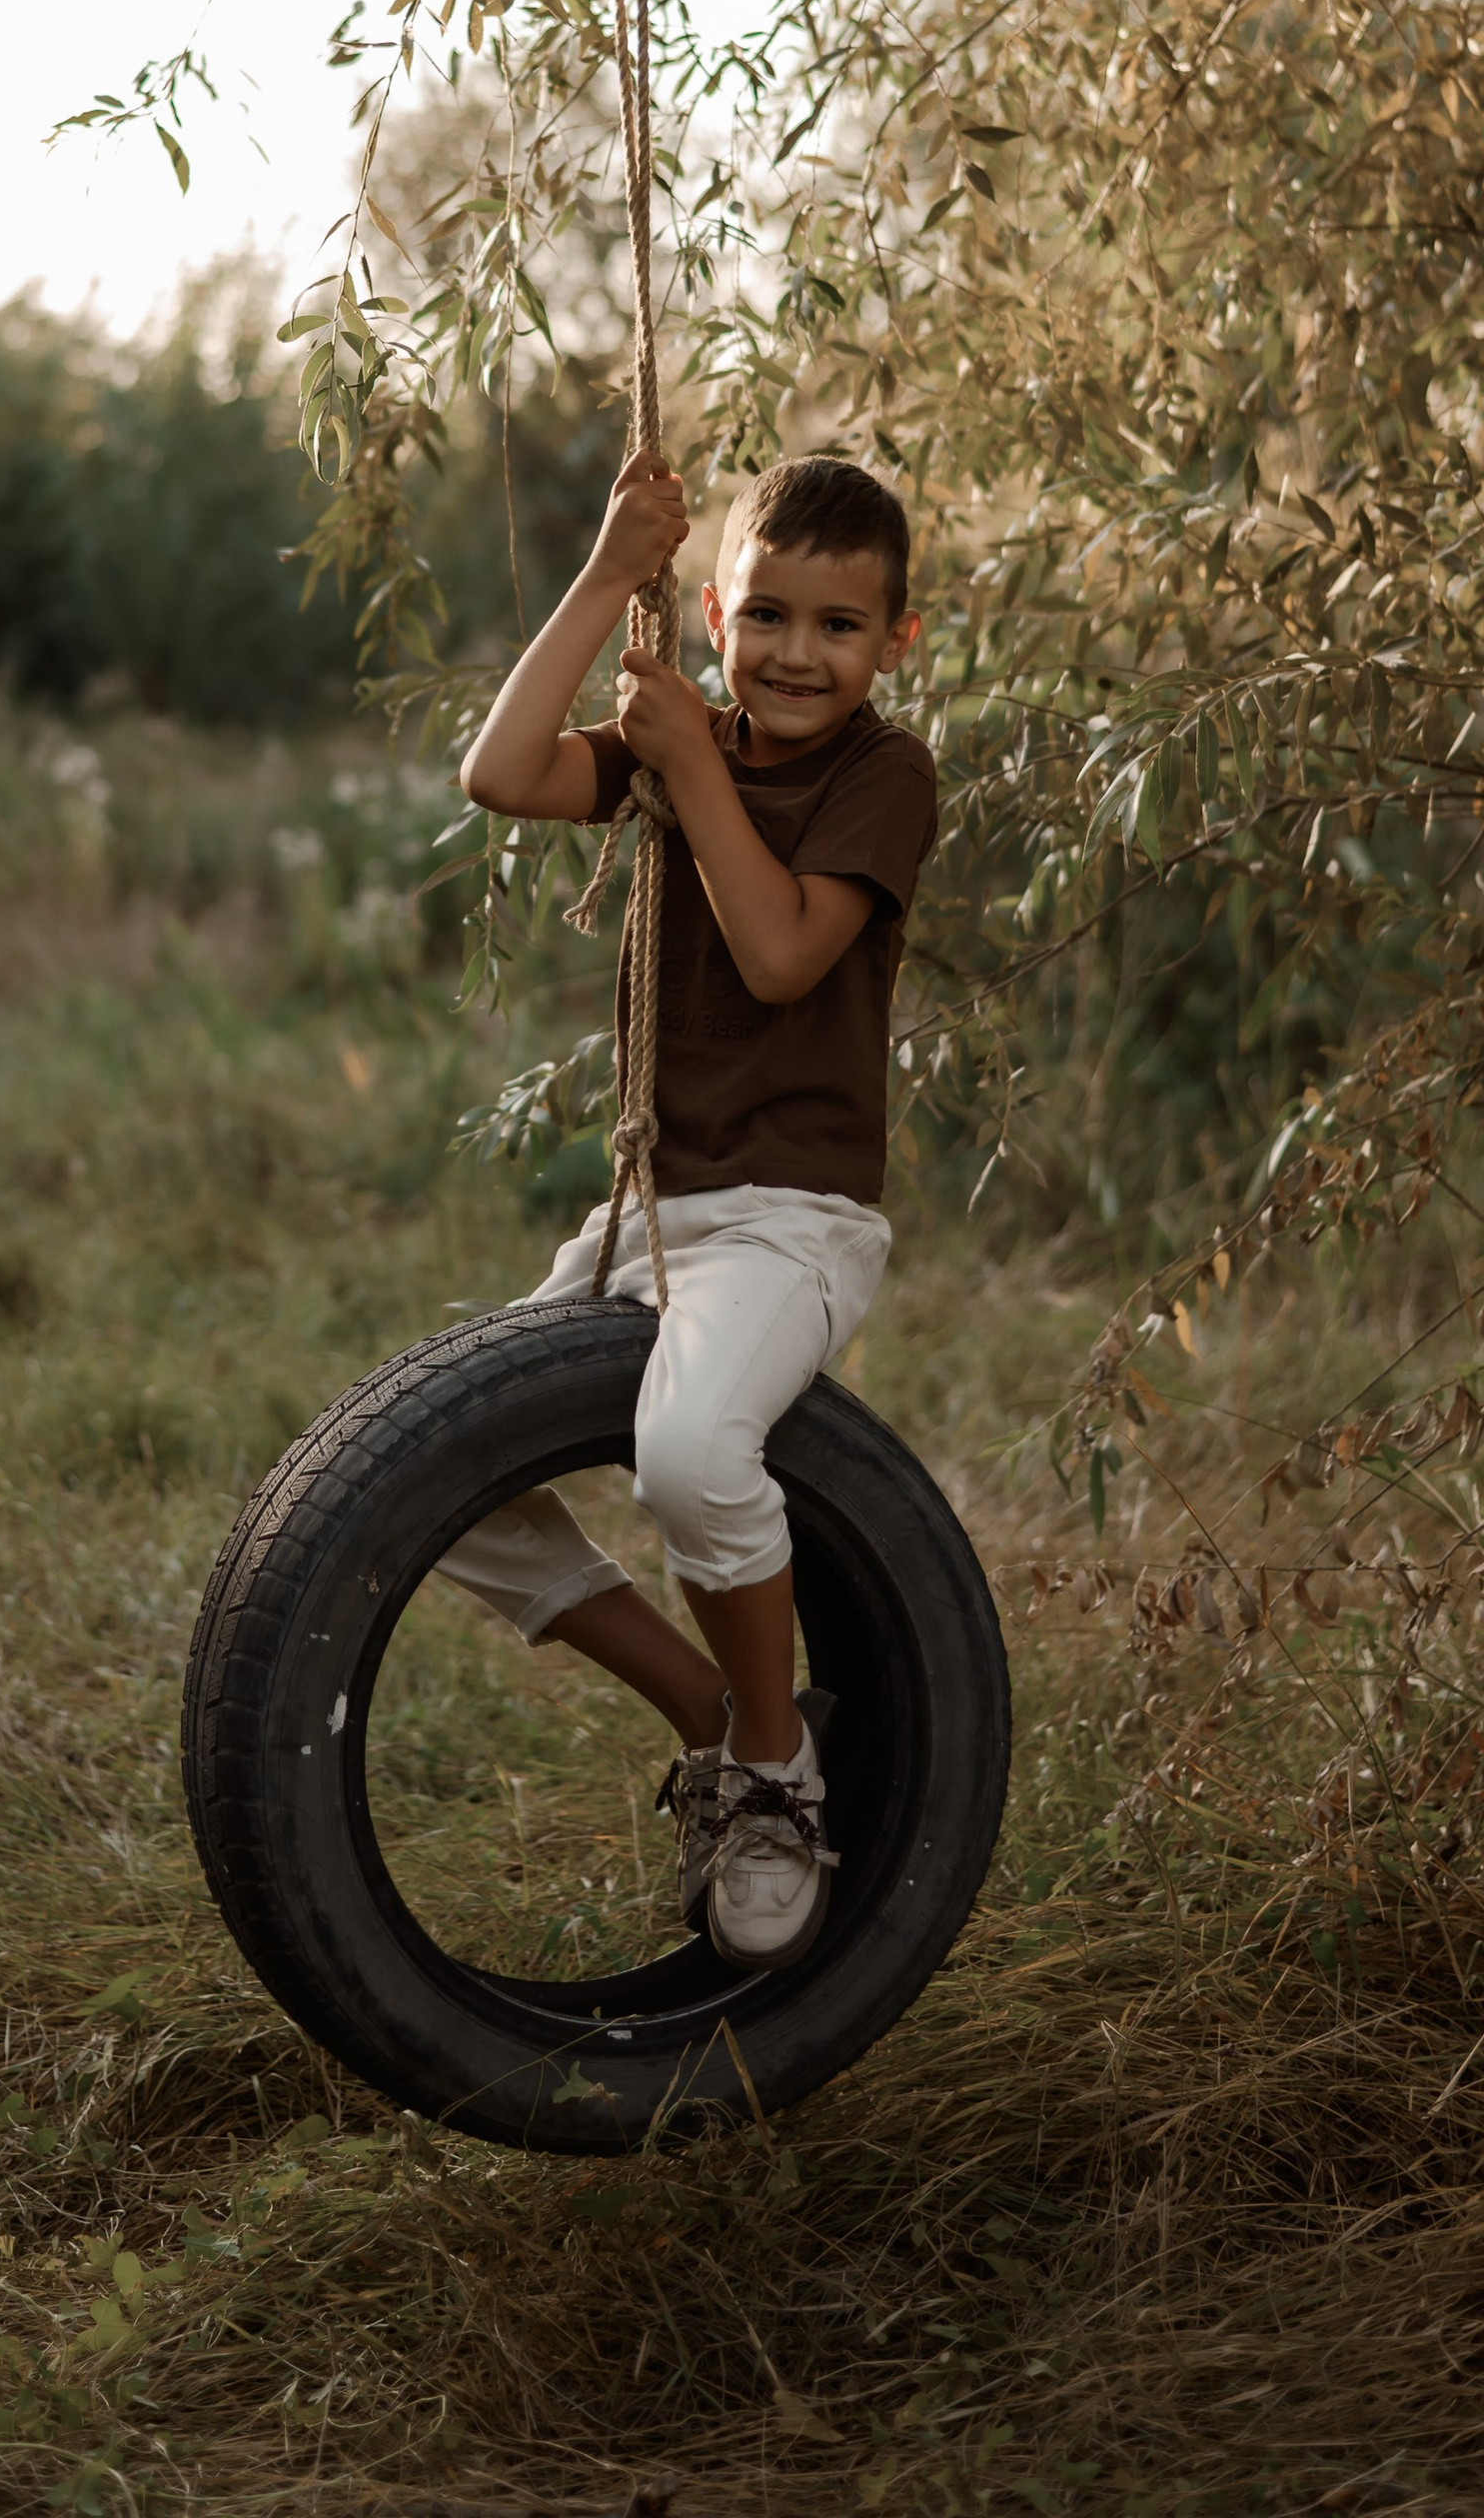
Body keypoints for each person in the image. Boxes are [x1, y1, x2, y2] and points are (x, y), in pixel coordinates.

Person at [443, 449, 936, 1970]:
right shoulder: (681, 739)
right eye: (768, 616)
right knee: (449, 1480)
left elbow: (786, 954)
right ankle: (722, 1712)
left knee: (686, 1453)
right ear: (716, 611)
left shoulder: (883, 777)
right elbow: (501, 773)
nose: (797, 654)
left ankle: (777, 1785)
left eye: (838, 628)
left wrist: (696, 770)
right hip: (655, 1216)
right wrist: (605, 576)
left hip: (791, 1223)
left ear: (895, 643)